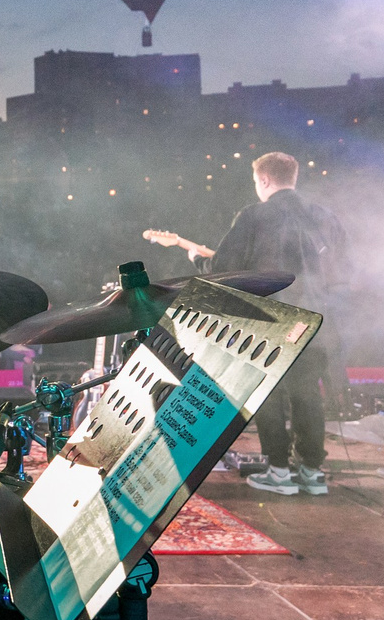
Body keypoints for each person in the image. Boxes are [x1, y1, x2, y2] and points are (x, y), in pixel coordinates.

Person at [148, 151, 346, 496]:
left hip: (271, 320)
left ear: (264, 179)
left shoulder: (255, 216)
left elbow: (225, 270)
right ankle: (312, 473)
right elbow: (341, 270)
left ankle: (280, 472)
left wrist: (195, 256)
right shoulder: (323, 216)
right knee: (308, 395)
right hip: (316, 320)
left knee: (267, 396)